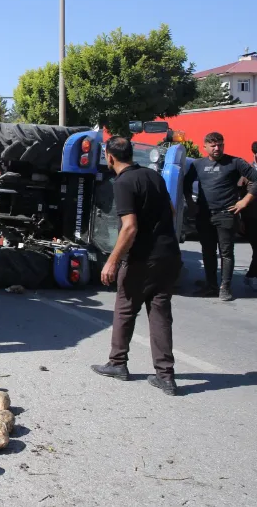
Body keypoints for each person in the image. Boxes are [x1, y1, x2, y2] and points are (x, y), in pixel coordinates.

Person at [91, 136, 181, 396]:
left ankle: (117, 363)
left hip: (142, 258)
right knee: (160, 313)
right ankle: (166, 376)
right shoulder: (153, 176)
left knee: (125, 308)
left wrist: (112, 261)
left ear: (109, 157)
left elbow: (130, 227)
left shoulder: (123, 182)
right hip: (168, 255)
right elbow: (172, 212)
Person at [182, 132, 257, 301]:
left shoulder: (235, 162)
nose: (217, 148)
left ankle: (225, 287)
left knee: (226, 252)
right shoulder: (198, 165)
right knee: (208, 251)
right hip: (204, 215)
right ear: (205, 147)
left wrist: (244, 201)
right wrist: (191, 204)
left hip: (226, 215)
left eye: (220, 145)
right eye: (213, 145)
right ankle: (211, 286)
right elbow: (185, 185)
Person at [241, 141, 257, 291]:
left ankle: (251, 276)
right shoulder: (246, 173)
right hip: (252, 219)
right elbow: (238, 197)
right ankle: (251, 276)